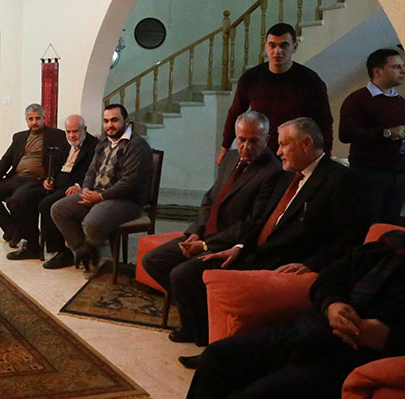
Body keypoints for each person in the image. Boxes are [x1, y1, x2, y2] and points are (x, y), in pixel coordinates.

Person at [101, 229, 405, 399]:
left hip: (348, 358)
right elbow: (329, 278)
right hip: (308, 329)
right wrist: (333, 304)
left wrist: (388, 338)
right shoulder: (388, 245)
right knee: (219, 355)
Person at [170, 118, 370, 356]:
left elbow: (350, 240)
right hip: (253, 252)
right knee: (184, 275)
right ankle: (206, 339)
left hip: (283, 262)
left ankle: (218, 353)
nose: (278, 151)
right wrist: (238, 246)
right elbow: (260, 221)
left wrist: (310, 264)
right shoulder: (286, 175)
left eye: (284, 144)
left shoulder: (341, 180)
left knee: (209, 280)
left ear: (306, 144)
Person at [142, 111, 281, 337]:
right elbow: (210, 198)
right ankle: (198, 313)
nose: (246, 146)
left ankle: (197, 328)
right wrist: (196, 232)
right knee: (153, 261)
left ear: (266, 138)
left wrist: (206, 245)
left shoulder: (272, 171)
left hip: (229, 245)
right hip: (204, 234)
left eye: (253, 141)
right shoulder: (230, 158)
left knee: (181, 275)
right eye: (241, 139)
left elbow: (252, 224)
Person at [49, 104, 152, 270]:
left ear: (126, 122)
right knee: (58, 209)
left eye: (114, 120)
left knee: (92, 223)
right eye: (106, 121)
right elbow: (91, 170)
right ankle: (83, 250)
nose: (109, 125)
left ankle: (89, 248)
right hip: (97, 193)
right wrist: (86, 190)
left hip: (126, 200)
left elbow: (129, 182)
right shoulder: (104, 142)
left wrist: (101, 197)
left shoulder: (137, 145)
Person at [221, 23, 333, 159]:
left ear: (294, 47)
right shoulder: (250, 78)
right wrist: (225, 148)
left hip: (296, 153)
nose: (277, 51)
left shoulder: (311, 81)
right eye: (272, 45)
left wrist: (325, 157)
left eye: (284, 45)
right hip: (260, 153)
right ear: (266, 47)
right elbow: (235, 113)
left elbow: (324, 122)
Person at [0, 103, 67, 255]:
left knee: (16, 201)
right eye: (30, 119)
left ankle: (30, 240)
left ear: (44, 118)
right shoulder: (19, 137)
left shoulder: (57, 135)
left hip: (37, 180)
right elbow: (7, 158)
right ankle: (13, 230)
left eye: (37, 118)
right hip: (17, 177)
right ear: (26, 120)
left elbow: (60, 160)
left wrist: (51, 177)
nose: (34, 122)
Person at [339, 48, 405, 223]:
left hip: (397, 175)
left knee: (389, 226)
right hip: (369, 175)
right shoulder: (357, 100)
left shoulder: (400, 102)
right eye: (396, 67)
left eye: (402, 66)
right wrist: (386, 133)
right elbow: (346, 133)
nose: (402, 71)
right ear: (378, 71)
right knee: (367, 224)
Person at [40, 114, 99, 268]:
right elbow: (56, 165)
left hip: (73, 186)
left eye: (75, 131)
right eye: (68, 131)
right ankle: (32, 244)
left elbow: (92, 172)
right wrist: (50, 178)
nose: (71, 135)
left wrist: (79, 186)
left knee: (46, 205)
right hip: (58, 183)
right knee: (26, 197)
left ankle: (63, 252)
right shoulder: (65, 143)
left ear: (84, 129)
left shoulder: (94, 146)